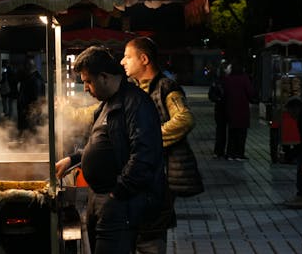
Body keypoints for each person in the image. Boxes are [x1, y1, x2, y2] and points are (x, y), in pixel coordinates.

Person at [55, 45, 165, 254]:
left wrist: (118, 193)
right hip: (100, 198)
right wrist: (72, 159)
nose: (85, 88)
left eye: (88, 81)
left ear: (104, 77)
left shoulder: (135, 103)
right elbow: (101, 143)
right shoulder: (106, 104)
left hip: (119, 202)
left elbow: (144, 155)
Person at [120, 36, 199, 253]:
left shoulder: (166, 86)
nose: (122, 62)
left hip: (161, 174)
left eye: (127, 56)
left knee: (151, 230)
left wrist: (148, 140)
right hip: (143, 170)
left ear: (144, 59)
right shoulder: (133, 88)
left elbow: (185, 118)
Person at [222, 58, 256, 161]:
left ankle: (230, 153)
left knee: (231, 132)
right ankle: (239, 154)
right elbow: (250, 92)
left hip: (230, 108)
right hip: (242, 109)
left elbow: (225, 93)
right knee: (241, 133)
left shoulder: (228, 79)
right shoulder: (244, 78)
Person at [16, 57, 45, 139]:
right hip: (27, 112)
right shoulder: (30, 78)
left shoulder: (35, 80)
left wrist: (32, 112)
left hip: (30, 114)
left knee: (31, 134)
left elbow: (37, 99)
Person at [209, 59, 227, 159]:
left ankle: (219, 151)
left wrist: (217, 99)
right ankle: (221, 151)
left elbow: (211, 95)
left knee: (220, 131)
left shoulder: (216, 81)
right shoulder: (223, 81)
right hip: (224, 108)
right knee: (222, 131)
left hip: (220, 108)